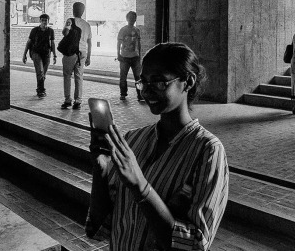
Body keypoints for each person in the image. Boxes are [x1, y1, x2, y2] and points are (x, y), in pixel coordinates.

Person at [85, 42, 229, 250]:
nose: (147, 92)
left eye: (159, 82)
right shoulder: (133, 140)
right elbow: (99, 228)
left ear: (187, 81)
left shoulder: (207, 151)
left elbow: (196, 243)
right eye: (143, 82)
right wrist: (100, 170)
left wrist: (141, 186)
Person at [61, 2, 92, 110]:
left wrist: (67, 27)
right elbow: (90, 42)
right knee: (79, 76)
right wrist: (89, 57)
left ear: (74, 10)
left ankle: (68, 100)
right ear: (82, 12)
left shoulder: (70, 20)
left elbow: (65, 33)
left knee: (67, 76)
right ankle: (78, 100)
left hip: (71, 52)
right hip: (82, 53)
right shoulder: (87, 25)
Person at [22, 13, 57, 97]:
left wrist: (55, 55)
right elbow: (29, 42)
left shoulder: (50, 31)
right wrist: (24, 54)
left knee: (43, 74)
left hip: (46, 54)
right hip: (36, 52)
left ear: (48, 21)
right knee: (40, 72)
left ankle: (39, 89)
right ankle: (41, 91)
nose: (44, 22)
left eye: (46, 20)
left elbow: (52, 43)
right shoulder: (34, 30)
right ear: (40, 21)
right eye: (43, 20)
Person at [117, 11, 143, 101]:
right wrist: (118, 54)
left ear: (135, 19)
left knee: (138, 77)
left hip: (135, 57)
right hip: (124, 57)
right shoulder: (123, 30)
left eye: (134, 18)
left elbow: (139, 44)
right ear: (127, 19)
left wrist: (140, 56)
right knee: (123, 77)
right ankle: (123, 94)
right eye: (130, 18)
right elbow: (119, 43)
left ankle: (140, 95)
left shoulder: (137, 30)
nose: (132, 20)